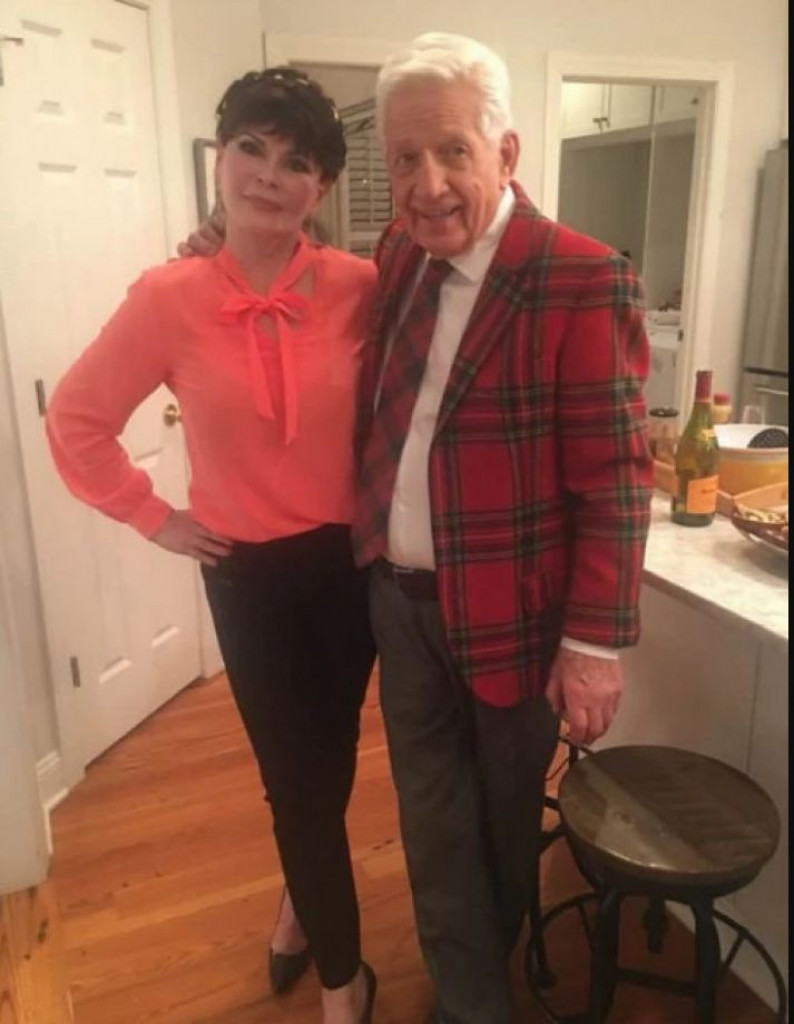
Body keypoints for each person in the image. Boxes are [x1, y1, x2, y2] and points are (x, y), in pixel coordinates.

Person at [182, 34, 653, 1022]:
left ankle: (477, 989)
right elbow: (304, 296)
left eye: (451, 152)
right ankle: (467, 998)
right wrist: (222, 254)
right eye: (404, 158)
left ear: (505, 152)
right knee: (430, 823)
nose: (426, 184)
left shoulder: (581, 277)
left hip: (515, 619)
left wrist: (593, 644)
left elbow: (616, 477)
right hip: (396, 606)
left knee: (496, 827)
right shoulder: (396, 256)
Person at [46, 67, 378, 1024]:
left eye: (297, 162)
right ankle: (346, 982)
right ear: (220, 158)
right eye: (252, 149)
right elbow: (76, 419)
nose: (269, 175)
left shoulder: (362, 287)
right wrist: (153, 515)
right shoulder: (169, 295)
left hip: (347, 567)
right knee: (292, 782)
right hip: (247, 577)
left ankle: (299, 905)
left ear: (320, 188)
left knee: (327, 764)